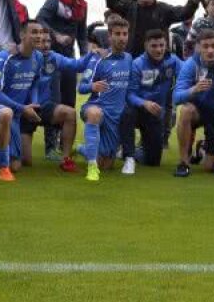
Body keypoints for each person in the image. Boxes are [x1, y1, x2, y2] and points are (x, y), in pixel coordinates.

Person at [0, 21, 46, 181]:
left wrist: (34, 103)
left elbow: (35, 82)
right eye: (34, 32)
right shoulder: (6, 55)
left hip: (17, 113)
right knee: (14, 164)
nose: (39, 36)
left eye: (41, 32)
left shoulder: (38, 57)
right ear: (22, 35)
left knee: (23, 163)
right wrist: (23, 108)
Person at [76, 18, 134, 181]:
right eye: (117, 34)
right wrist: (92, 86)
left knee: (107, 164)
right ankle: (92, 168)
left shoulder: (129, 59)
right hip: (97, 107)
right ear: (109, 36)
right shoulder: (98, 58)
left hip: (116, 116)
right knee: (94, 114)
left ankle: (82, 148)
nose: (122, 38)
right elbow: (81, 87)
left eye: (125, 34)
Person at [172, 33, 214, 176]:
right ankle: (184, 163)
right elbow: (176, 97)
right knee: (185, 111)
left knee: (209, 168)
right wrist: (194, 89)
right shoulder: (191, 64)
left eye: (213, 46)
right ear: (198, 47)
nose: (210, 50)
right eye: (205, 46)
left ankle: (202, 148)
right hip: (199, 111)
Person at [31, 29, 95, 169]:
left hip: (46, 108)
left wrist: (91, 53)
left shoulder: (54, 58)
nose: (46, 45)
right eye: (42, 41)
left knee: (70, 113)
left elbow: (78, 66)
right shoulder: (24, 57)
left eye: (48, 41)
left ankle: (65, 159)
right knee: (23, 161)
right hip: (25, 108)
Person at [123, 29, 181, 170]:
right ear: (146, 46)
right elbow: (130, 94)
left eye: (161, 45)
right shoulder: (138, 64)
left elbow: (186, 73)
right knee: (126, 113)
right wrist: (144, 103)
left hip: (155, 113)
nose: (159, 49)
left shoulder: (173, 61)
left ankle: (136, 151)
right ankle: (128, 155)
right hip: (137, 109)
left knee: (153, 162)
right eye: (154, 46)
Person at [105, 0, 202, 56]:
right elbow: (112, 3)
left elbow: (184, 13)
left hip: (159, 61)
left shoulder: (164, 9)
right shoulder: (129, 6)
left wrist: (194, 1)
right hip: (133, 59)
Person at [36, 0, 89, 120]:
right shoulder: (54, 0)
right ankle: (51, 139)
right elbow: (40, 19)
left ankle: (63, 135)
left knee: (70, 95)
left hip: (69, 56)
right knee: (53, 97)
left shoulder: (82, 5)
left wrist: (86, 55)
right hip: (50, 55)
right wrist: (56, 35)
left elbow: (82, 34)